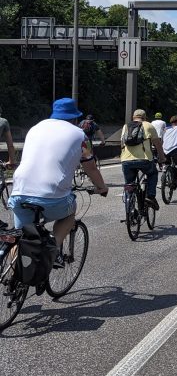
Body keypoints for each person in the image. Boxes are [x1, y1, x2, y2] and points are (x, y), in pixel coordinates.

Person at [8, 98, 108, 265]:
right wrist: (102, 188)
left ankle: (14, 278)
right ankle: (52, 248)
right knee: (70, 211)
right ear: (75, 118)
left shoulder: (35, 128)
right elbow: (90, 168)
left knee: (20, 236)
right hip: (52, 195)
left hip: (19, 191)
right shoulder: (80, 135)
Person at [120, 109, 166, 210]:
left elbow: (122, 144)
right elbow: (157, 144)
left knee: (129, 185)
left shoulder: (126, 126)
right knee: (153, 173)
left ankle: (129, 211)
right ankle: (150, 196)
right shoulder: (148, 125)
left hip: (126, 160)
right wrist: (162, 158)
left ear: (133, 117)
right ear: (145, 117)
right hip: (144, 160)